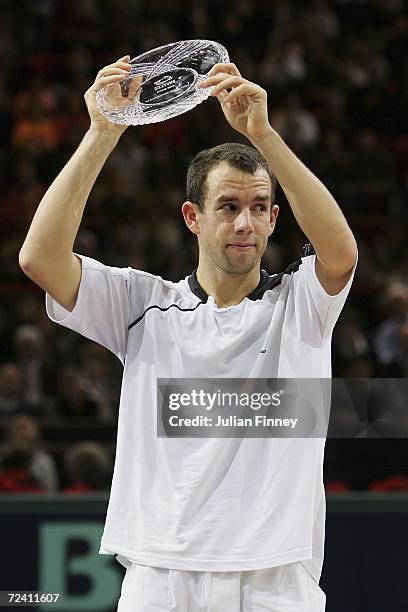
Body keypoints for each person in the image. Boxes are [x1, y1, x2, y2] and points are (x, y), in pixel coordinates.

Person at [19, 55, 358, 611]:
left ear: (275, 219)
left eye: (258, 207)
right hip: (160, 576)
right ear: (192, 217)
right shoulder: (142, 303)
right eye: (227, 206)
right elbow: (40, 258)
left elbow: (341, 252)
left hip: (272, 579)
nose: (245, 222)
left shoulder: (300, 307)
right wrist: (103, 132)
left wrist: (264, 135)